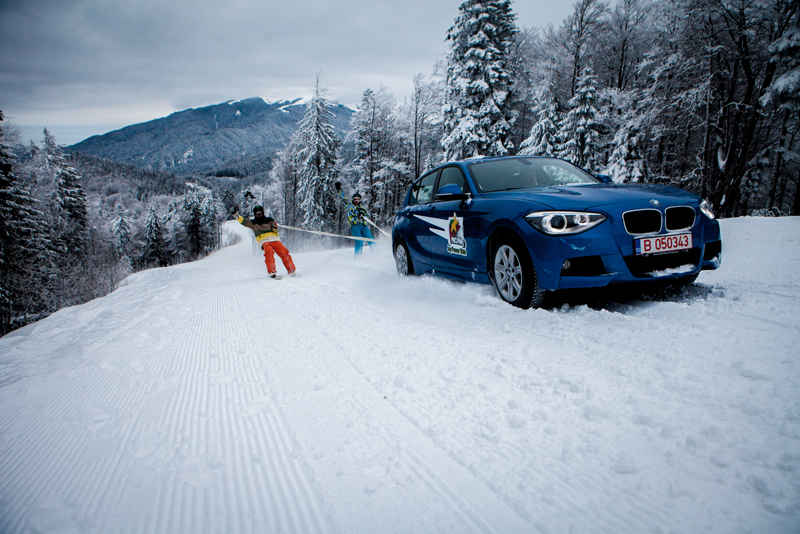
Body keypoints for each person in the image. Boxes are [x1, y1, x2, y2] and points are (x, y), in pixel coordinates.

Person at [232, 205, 296, 279]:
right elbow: (243, 221)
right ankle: (272, 272)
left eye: (260, 212)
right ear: (255, 214)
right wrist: (236, 214)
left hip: (274, 238)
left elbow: (276, 229)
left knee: (283, 252)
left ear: (262, 212)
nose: (259, 214)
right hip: (264, 240)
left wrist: (275, 227)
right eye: (257, 213)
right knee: (269, 252)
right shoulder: (253, 223)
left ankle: (291, 270)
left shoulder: (269, 220)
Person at [335, 182, 375, 255]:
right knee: (360, 241)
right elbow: (343, 199)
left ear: (360, 201)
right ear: (353, 200)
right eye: (355, 200)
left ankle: (378, 255)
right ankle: (357, 258)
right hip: (355, 226)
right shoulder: (350, 206)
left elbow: (367, 215)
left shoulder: (363, 209)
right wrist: (339, 189)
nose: (356, 201)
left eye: (358, 200)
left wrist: (363, 214)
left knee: (371, 240)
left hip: (364, 226)